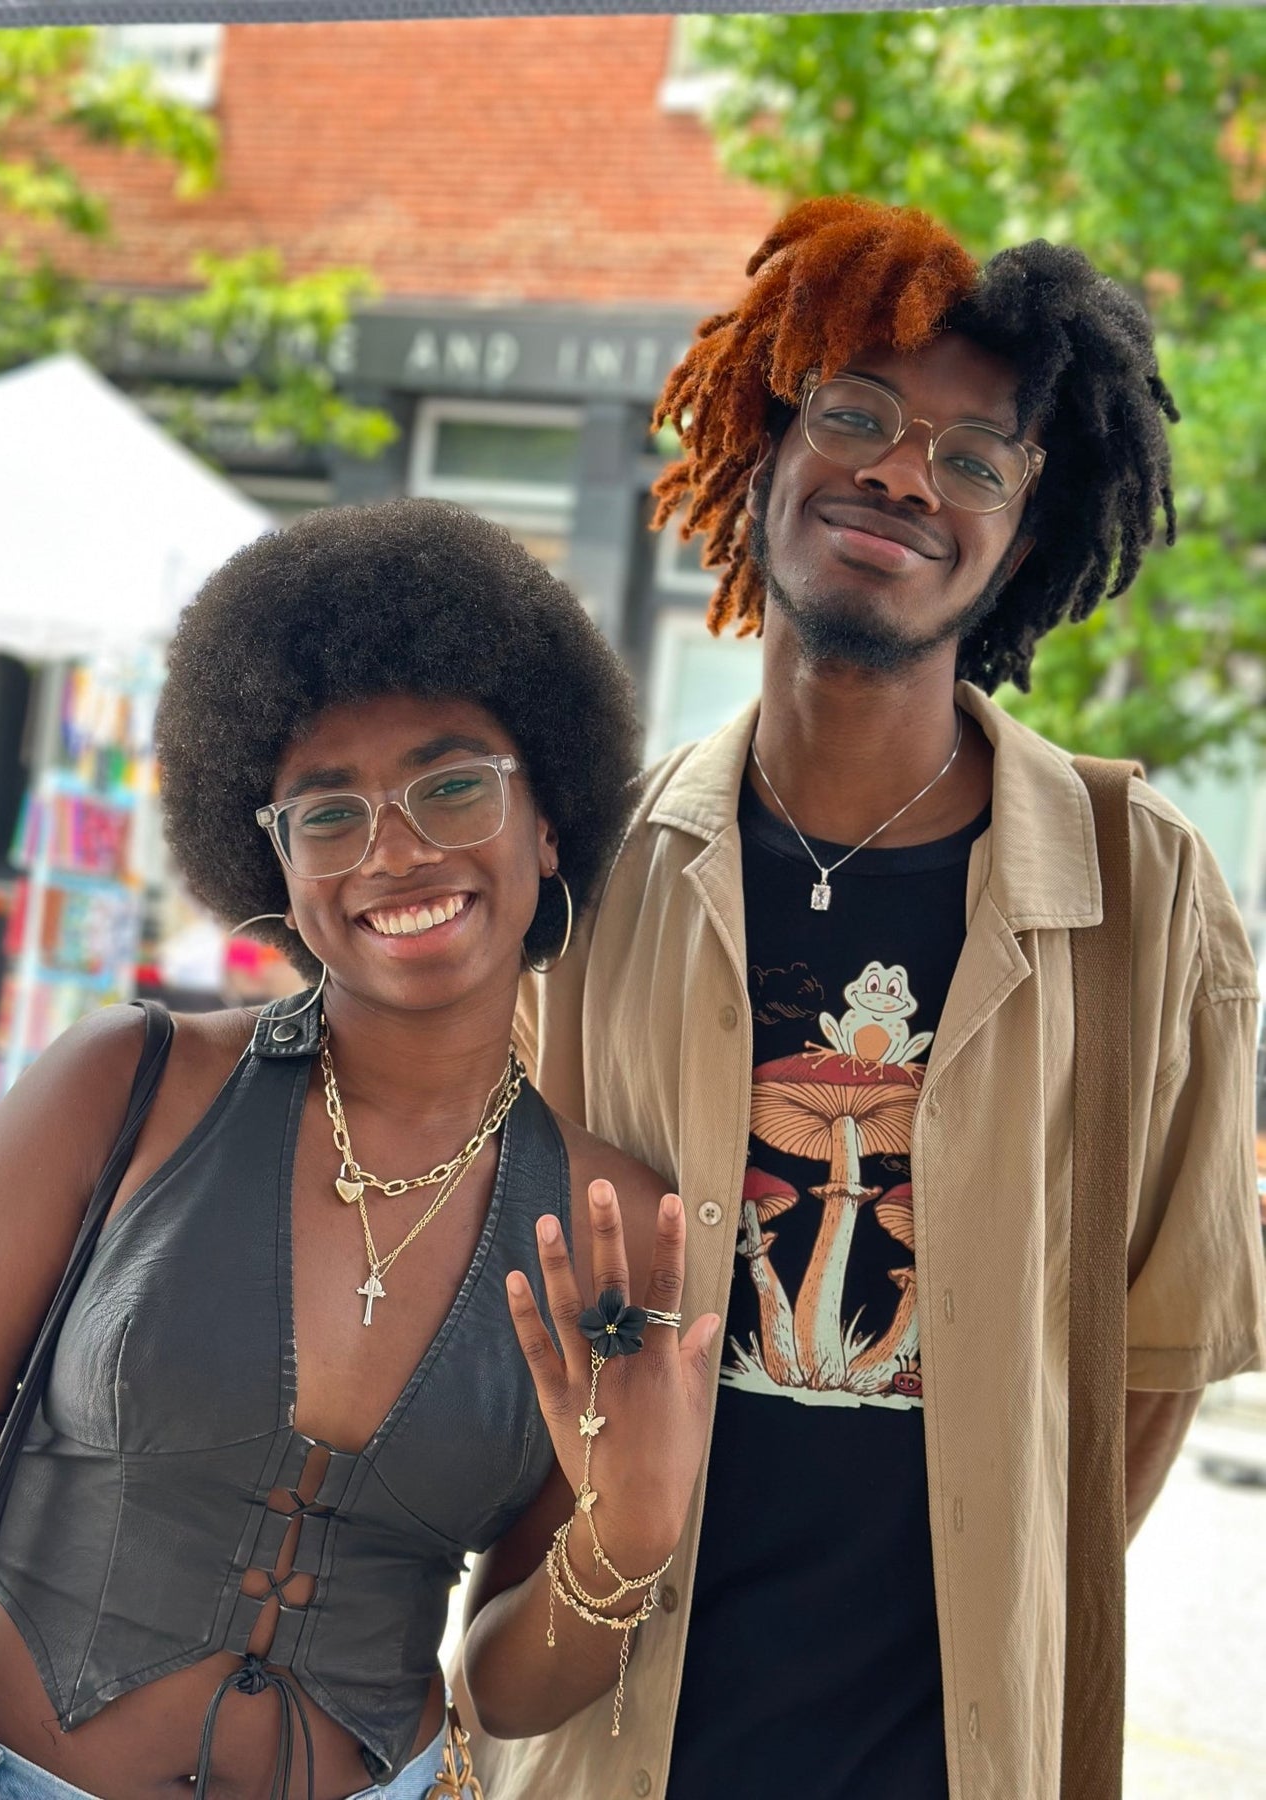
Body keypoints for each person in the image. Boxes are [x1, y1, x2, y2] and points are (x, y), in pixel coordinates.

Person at [464, 198, 1266, 1800]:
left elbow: (1161, 1343)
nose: (906, 475)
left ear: (1019, 539)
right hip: (608, 1747)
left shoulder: (1140, 881)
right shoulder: (589, 869)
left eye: (975, 458)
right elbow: (502, 1296)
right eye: (855, 415)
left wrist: (989, 1620)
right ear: (762, 454)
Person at [0, 500, 719, 1800]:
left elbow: (506, 1692)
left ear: (547, 822)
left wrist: (625, 1539)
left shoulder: (612, 1227)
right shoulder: (122, 1089)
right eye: (327, 813)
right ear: (274, 864)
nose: (394, 850)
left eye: (451, 787)